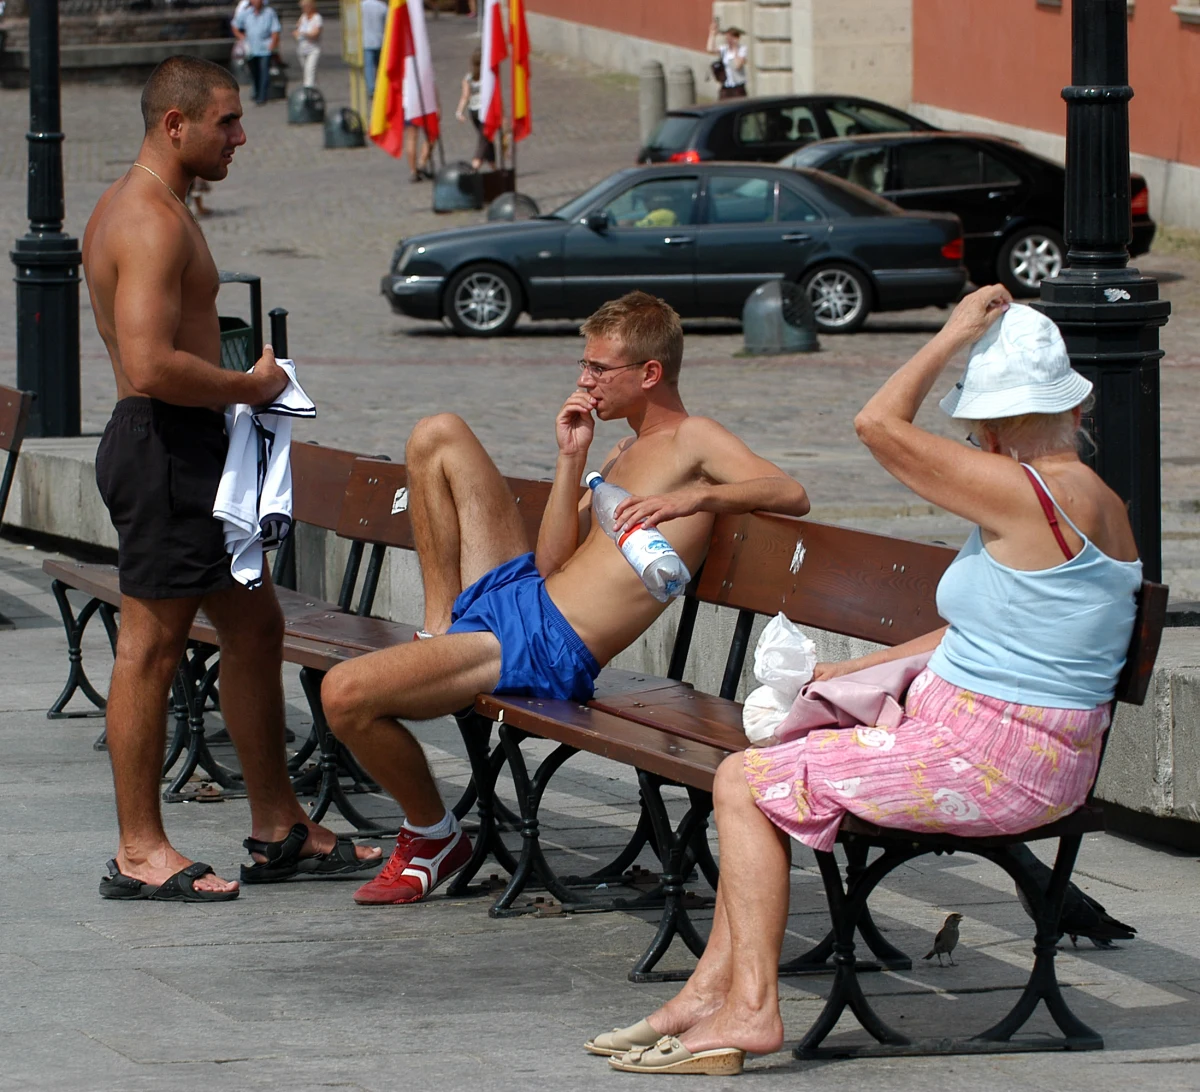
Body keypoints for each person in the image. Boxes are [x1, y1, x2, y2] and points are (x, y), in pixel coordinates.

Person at [587, 285, 1142, 1074]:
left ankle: (750, 1010)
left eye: (974, 425)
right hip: (980, 739)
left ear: (987, 423)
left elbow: (876, 424)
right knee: (750, 774)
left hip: (997, 763)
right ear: (1074, 411)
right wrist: (849, 669)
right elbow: (985, 629)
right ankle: (706, 997)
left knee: (745, 780)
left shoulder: (1031, 493)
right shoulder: (1067, 495)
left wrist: (950, 332)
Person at [320, 291, 811, 907]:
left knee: (344, 694)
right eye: (586, 367)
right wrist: (571, 459)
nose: (585, 381)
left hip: (550, 644)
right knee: (436, 434)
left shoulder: (694, 439)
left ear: (649, 373)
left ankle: (432, 835)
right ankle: (437, 629)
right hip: (525, 597)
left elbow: (790, 493)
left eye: (599, 369)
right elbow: (552, 560)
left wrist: (697, 500)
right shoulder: (623, 449)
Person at [82, 56, 381, 903]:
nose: (241, 136)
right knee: (150, 649)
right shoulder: (147, 219)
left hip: (189, 447)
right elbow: (147, 364)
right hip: (164, 446)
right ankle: (141, 851)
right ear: (175, 124)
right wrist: (249, 387)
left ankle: (278, 824)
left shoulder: (148, 206)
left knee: (255, 631)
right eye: (226, 121)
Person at [231, 0, 280, 106]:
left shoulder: (269, 13)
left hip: (264, 48)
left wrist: (273, 44)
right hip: (251, 49)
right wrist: (241, 36)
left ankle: (262, 96)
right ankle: (257, 92)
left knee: (264, 72)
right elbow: (235, 24)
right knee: (254, 73)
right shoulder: (247, 13)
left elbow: (275, 29)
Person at [455, 47, 495, 170]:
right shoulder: (488, 75)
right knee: (484, 138)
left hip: (473, 111)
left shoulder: (468, 77)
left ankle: (494, 167)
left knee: (487, 137)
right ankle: (475, 164)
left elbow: (465, 96)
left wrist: (459, 111)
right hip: (485, 110)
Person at [706, 18, 747, 99]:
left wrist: (735, 48)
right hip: (725, 87)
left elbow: (738, 65)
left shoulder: (742, 50)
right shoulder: (724, 49)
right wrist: (712, 34)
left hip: (738, 88)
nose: (728, 40)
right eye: (727, 38)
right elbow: (710, 49)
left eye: (730, 38)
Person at [361, 0, 388, 101]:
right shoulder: (382, 6)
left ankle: (371, 88)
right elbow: (388, 23)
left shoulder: (361, 6)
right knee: (380, 66)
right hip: (380, 39)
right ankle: (382, 86)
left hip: (366, 40)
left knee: (368, 66)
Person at [293, 0, 323, 89]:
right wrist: (297, 34)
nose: (304, 8)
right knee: (307, 72)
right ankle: (313, 89)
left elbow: (316, 33)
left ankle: (308, 91)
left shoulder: (317, 18)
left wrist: (304, 34)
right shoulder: (303, 17)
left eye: (306, 6)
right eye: (303, 7)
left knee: (309, 70)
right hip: (302, 49)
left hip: (313, 49)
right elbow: (297, 29)